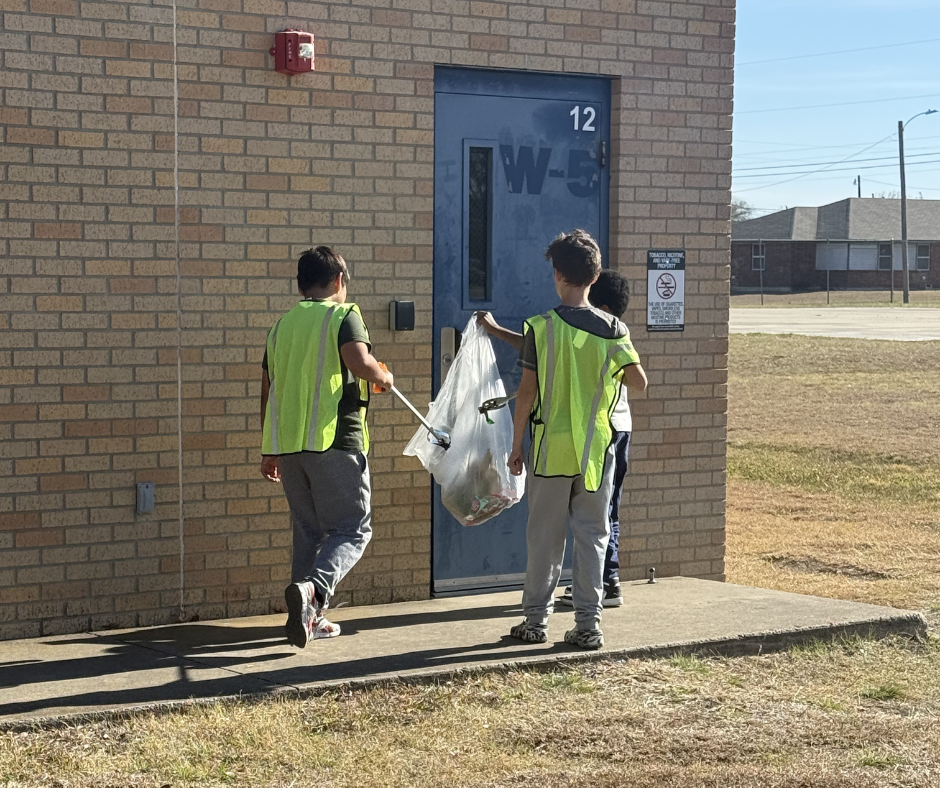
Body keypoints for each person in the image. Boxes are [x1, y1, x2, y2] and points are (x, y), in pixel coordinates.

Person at [477, 231, 646, 650]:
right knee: (593, 536)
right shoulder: (614, 330)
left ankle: (535, 622)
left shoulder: (541, 328)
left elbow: (528, 393)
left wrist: (516, 446)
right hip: (597, 452)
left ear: (557, 274)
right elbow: (639, 383)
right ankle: (589, 625)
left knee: (545, 538)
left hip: (551, 451)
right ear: (595, 275)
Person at [259, 246, 393, 648]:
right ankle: (315, 592)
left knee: (308, 531)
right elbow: (358, 361)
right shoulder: (344, 315)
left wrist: (269, 448)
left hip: (289, 446)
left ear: (302, 285)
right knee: (352, 529)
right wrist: (383, 376)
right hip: (335, 440)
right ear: (339, 281)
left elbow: (268, 389)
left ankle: (305, 619)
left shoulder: (281, 327)